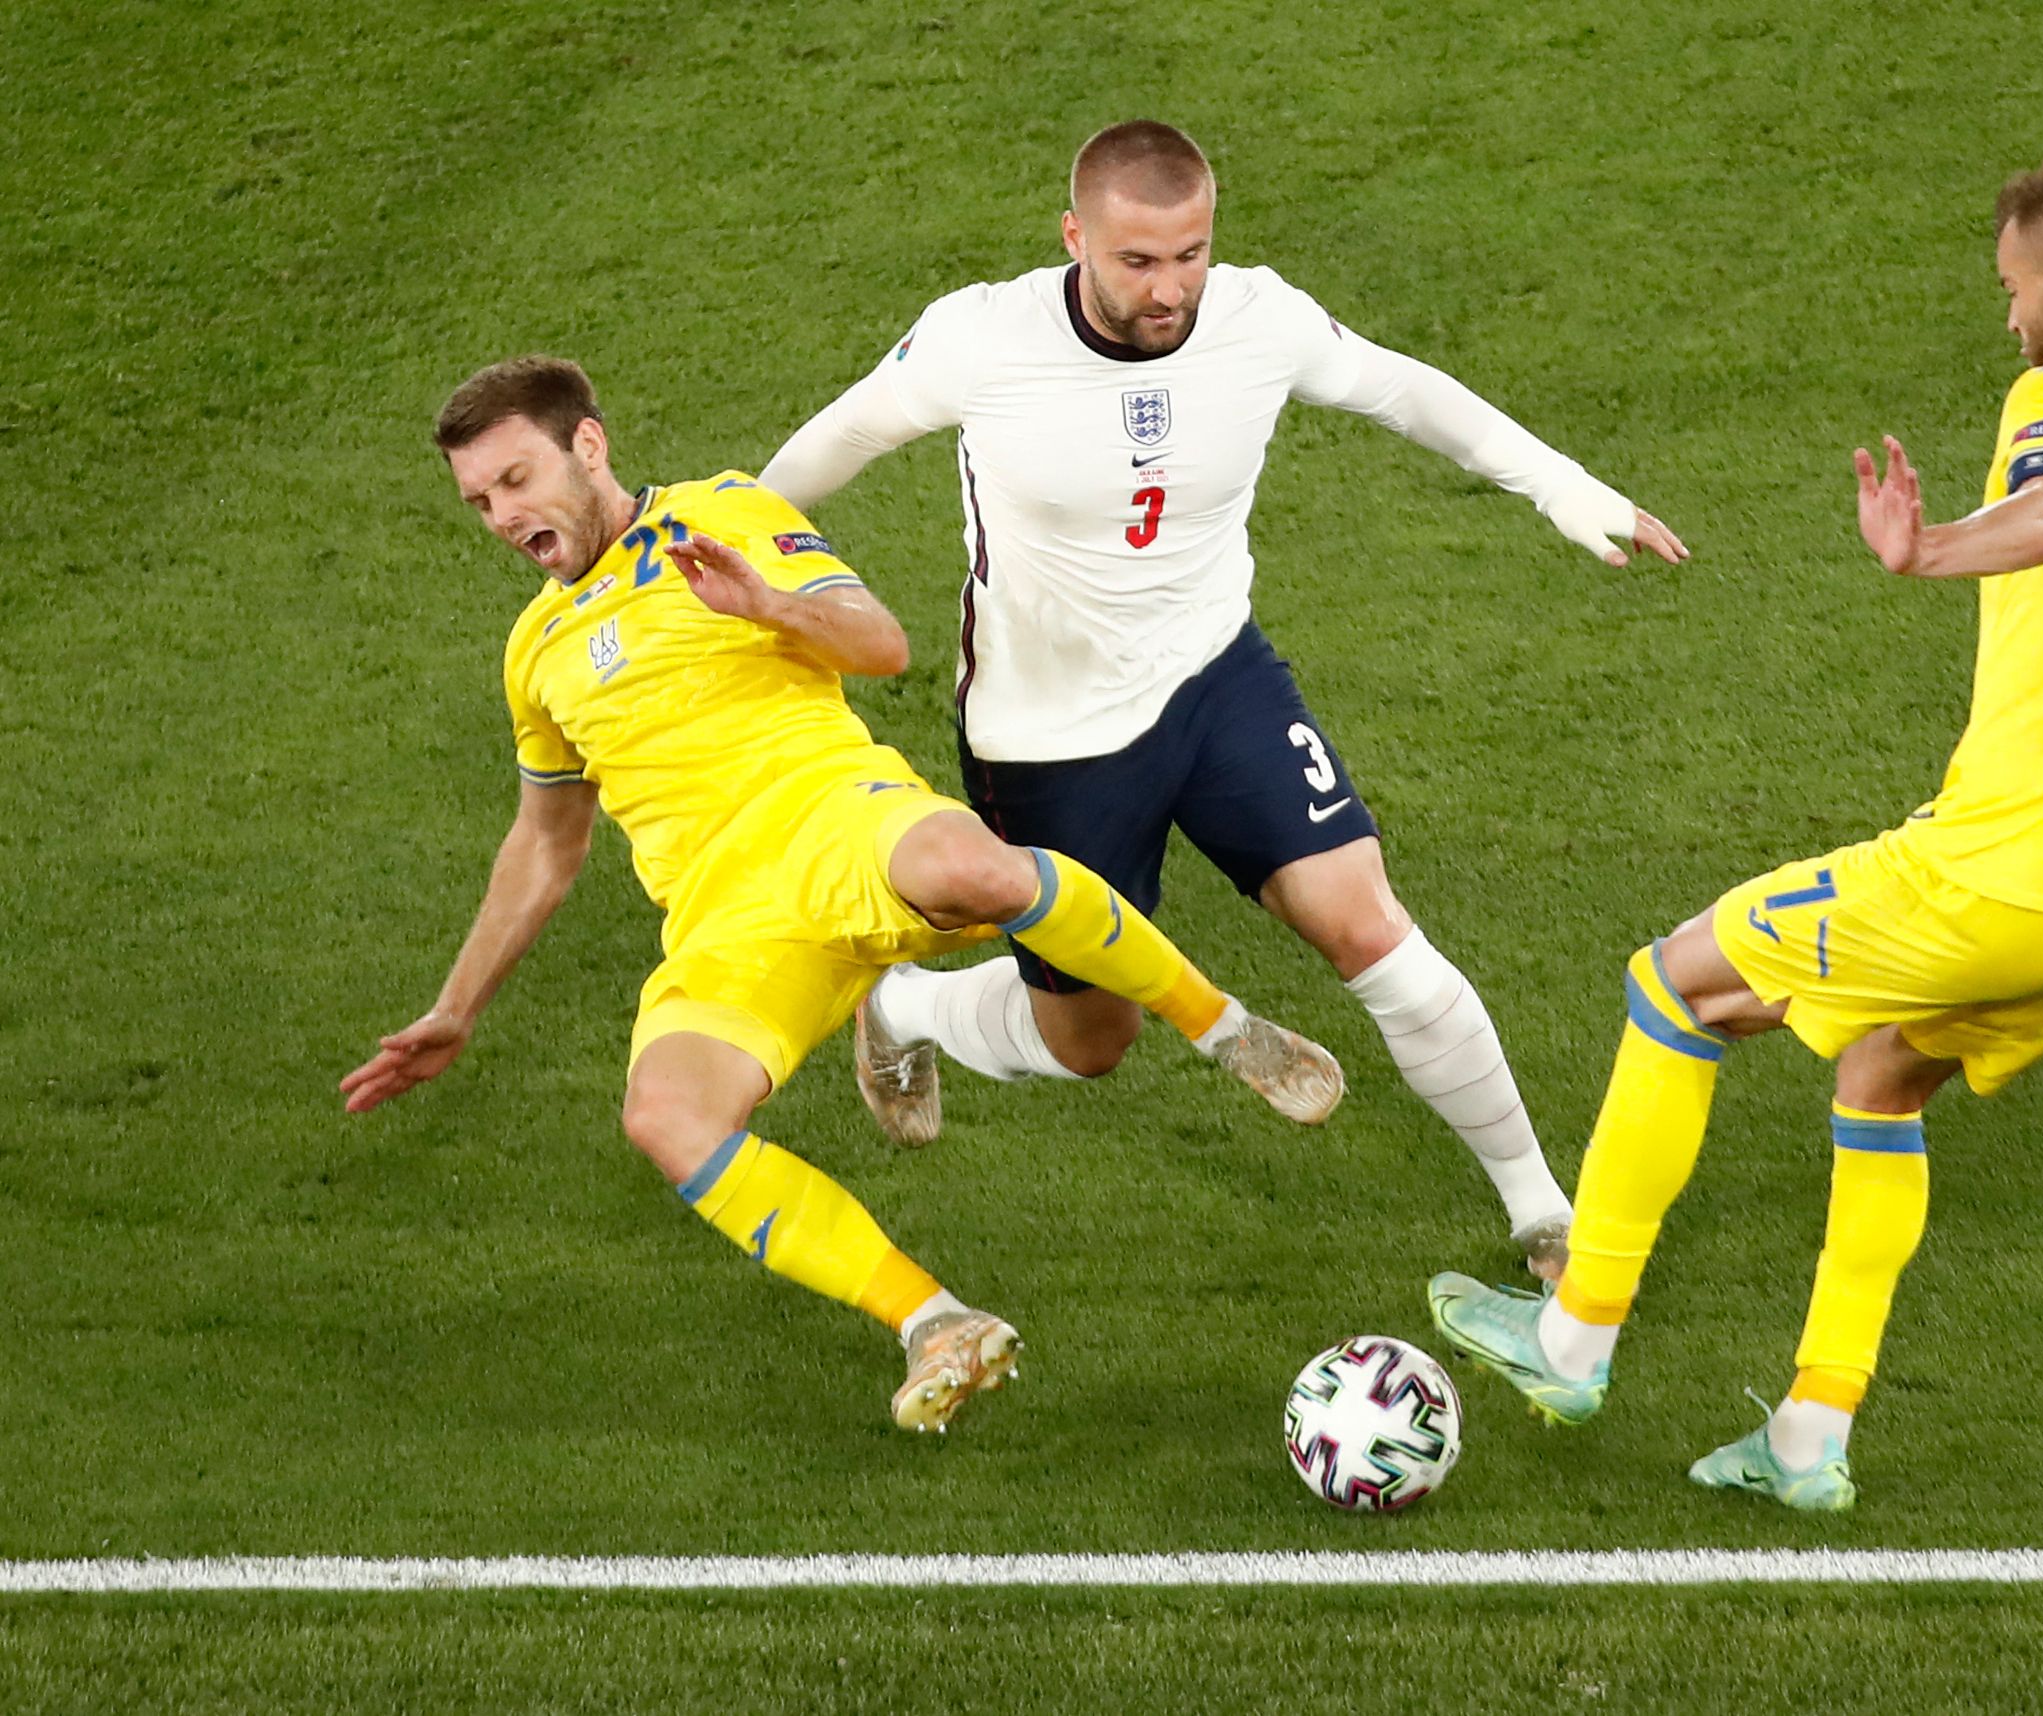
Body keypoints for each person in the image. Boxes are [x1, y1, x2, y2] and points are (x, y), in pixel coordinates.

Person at [1427, 159, 2043, 1510]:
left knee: (1675, 984)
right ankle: (1808, 1440)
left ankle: (1573, 1336)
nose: (2009, 318)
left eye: (2012, 289)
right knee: (1879, 1077)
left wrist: (1925, 549)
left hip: (1996, 876)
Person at [341, 356, 1342, 1433]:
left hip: (834, 819)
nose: (502, 516)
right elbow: (546, 843)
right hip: (724, 917)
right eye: (480, 500)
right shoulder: (534, 653)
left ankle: (1227, 1030)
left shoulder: (723, 513)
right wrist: (457, 1007)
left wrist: (767, 605)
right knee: (667, 1117)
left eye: (516, 479)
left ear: (588, 446)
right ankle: (935, 1323)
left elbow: (883, 644)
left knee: (980, 872)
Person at [762, 119, 1689, 1280]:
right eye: (1138, 261)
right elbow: (832, 445)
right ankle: (909, 1009)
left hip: (1215, 676)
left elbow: (1405, 390)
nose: (1170, 288)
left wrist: (1558, 484)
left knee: (1368, 924)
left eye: (1190, 254)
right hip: (1046, 739)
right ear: (1074, 237)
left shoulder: (1258, 319)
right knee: (1089, 1042)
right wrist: (723, 559)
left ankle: (1543, 1213)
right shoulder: (983, 339)